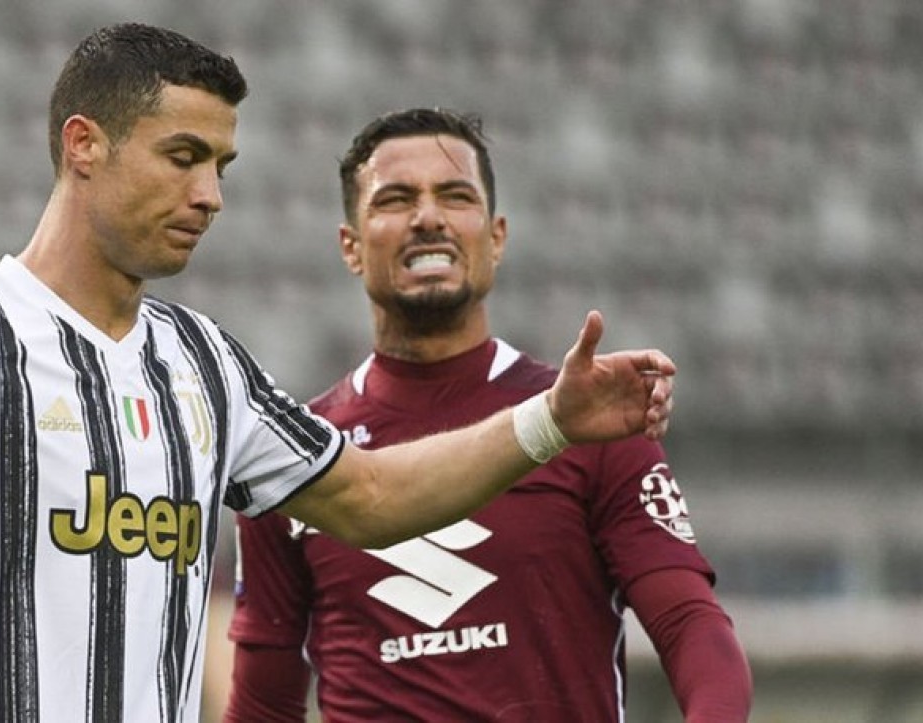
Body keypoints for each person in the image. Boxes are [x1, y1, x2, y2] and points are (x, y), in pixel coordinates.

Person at [0, 25, 677, 723]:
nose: (211, 195)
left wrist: (549, 421)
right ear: (84, 145)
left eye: (221, 164)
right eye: (183, 157)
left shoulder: (204, 362)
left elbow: (372, 495)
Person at [225, 108, 752, 722]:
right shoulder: (296, 452)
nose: (428, 218)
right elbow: (264, 704)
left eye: (455, 196)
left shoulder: (587, 421)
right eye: (396, 199)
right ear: (351, 245)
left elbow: (690, 625)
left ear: (496, 237)